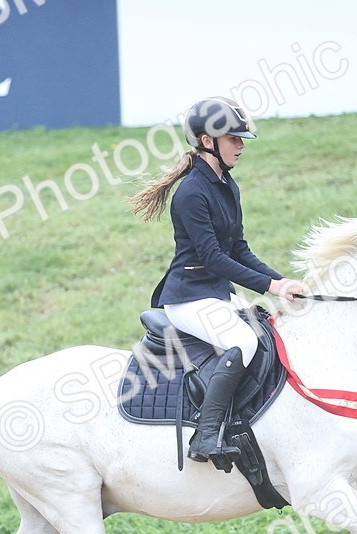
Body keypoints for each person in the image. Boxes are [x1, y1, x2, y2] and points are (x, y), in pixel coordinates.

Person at [130, 97, 307, 465]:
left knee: (268, 333)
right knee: (242, 341)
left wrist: (282, 280)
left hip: (216, 294)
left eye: (242, 139)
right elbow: (213, 258)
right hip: (188, 298)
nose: (241, 145)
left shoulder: (227, 184)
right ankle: (205, 437)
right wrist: (270, 288)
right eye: (234, 139)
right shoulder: (192, 192)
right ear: (207, 140)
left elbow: (239, 249)